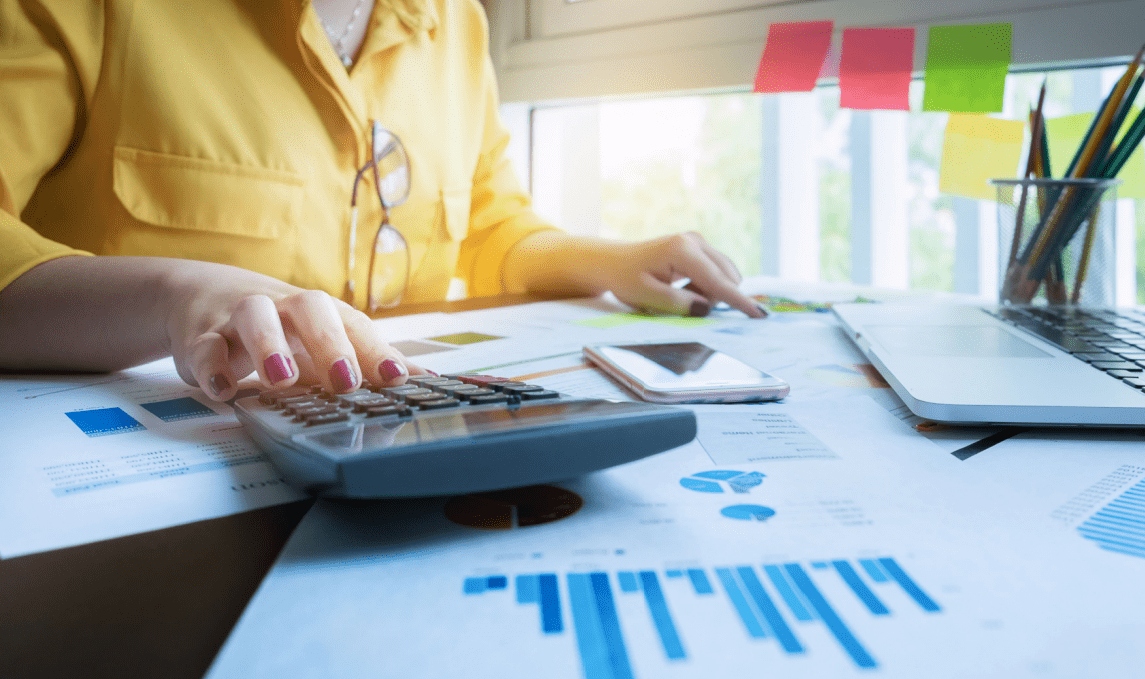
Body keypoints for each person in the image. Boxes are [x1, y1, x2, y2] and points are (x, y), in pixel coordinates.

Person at [0, 0, 764, 403]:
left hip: (393, 441)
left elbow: (490, 228)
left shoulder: (455, 20)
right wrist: (180, 295)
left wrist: (613, 260)